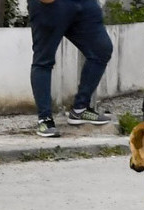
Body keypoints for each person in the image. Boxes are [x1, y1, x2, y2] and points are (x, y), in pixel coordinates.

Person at [27, 0, 114, 138]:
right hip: (51, 5)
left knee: (101, 49)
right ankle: (45, 119)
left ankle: (80, 109)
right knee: (44, 60)